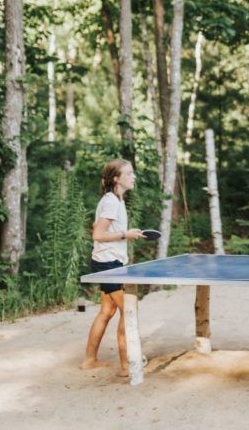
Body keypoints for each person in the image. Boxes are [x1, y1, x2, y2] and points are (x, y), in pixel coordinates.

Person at [80, 159, 143, 377]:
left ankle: (89, 360)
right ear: (116, 178)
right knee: (128, 310)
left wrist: (126, 232)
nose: (133, 176)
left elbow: (100, 228)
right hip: (108, 264)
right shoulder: (111, 202)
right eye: (129, 173)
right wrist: (126, 234)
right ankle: (126, 366)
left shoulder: (116, 200)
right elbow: (97, 234)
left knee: (107, 311)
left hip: (108, 261)